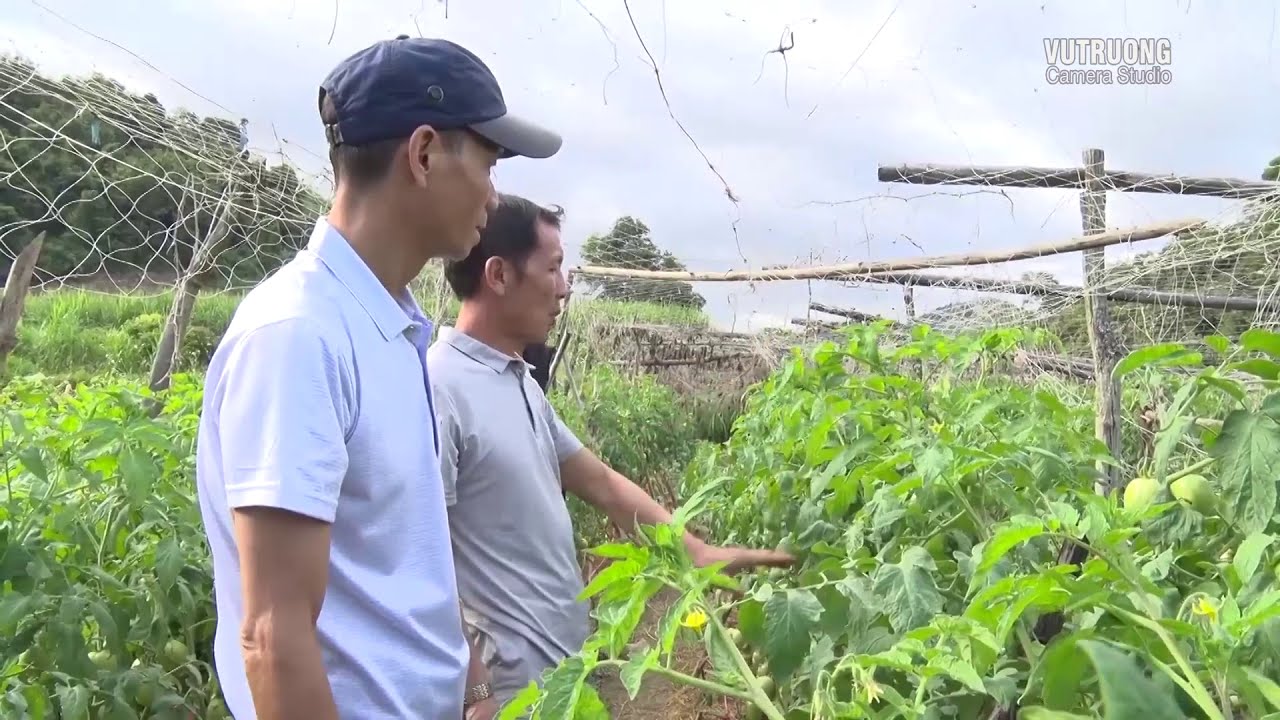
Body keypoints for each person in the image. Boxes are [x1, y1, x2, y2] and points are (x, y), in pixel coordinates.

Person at [194, 36, 561, 720]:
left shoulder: (391, 330)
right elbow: (273, 638)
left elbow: (406, 551)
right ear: (423, 155)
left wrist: (473, 686)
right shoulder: (299, 333)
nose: (493, 192)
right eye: (488, 161)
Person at [426, 193, 794, 709]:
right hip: (509, 689)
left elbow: (600, 483)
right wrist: (476, 688)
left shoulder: (518, 380)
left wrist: (698, 553)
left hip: (567, 671)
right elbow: (426, 555)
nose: (563, 289)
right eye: (553, 269)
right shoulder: (440, 387)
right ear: (499, 275)